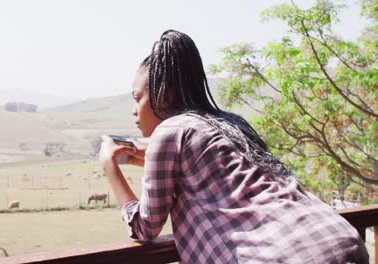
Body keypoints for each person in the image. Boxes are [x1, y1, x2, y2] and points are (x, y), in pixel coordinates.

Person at [99, 30, 368, 263]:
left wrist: (110, 166)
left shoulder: (169, 131)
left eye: (137, 98)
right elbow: (225, 172)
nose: (134, 111)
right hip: (340, 239)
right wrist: (149, 160)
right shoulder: (232, 122)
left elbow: (145, 228)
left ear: (165, 93)